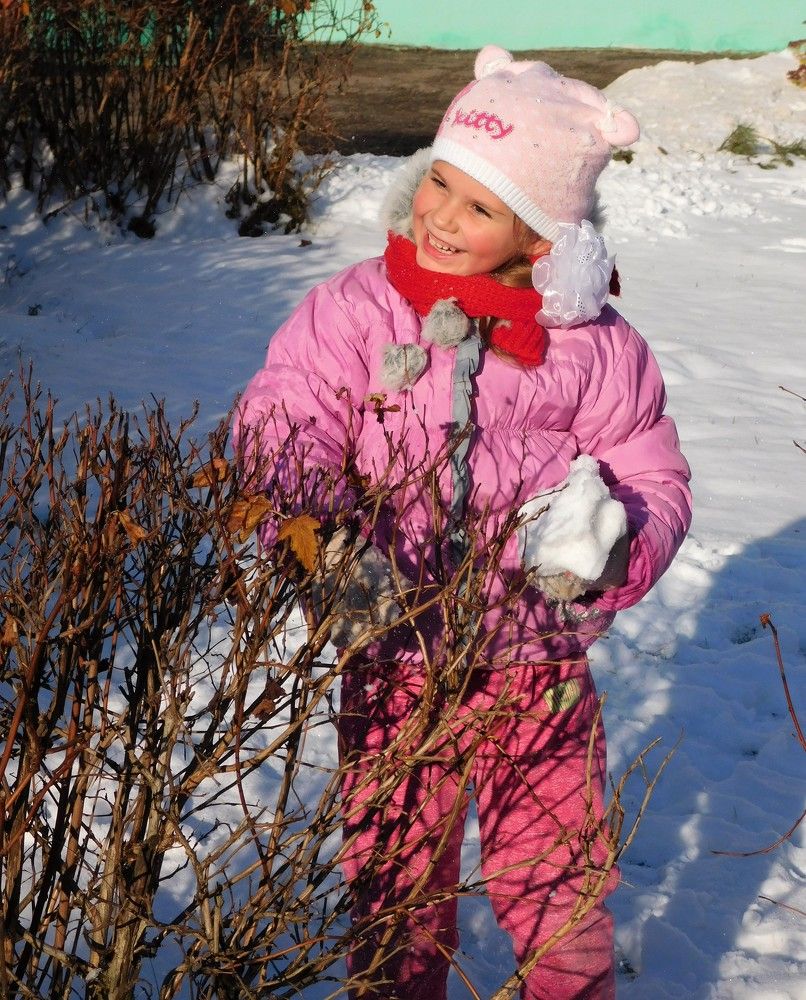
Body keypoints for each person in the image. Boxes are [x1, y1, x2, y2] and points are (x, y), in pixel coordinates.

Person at [233, 45, 692, 1000]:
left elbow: (650, 467)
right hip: (396, 655)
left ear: (538, 241)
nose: (440, 215)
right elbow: (288, 413)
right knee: (395, 886)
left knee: (558, 884)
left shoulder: (593, 347)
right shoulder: (360, 309)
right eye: (437, 182)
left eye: (479, 206)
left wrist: (611, 553)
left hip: (540, 666)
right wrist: (322, 538)